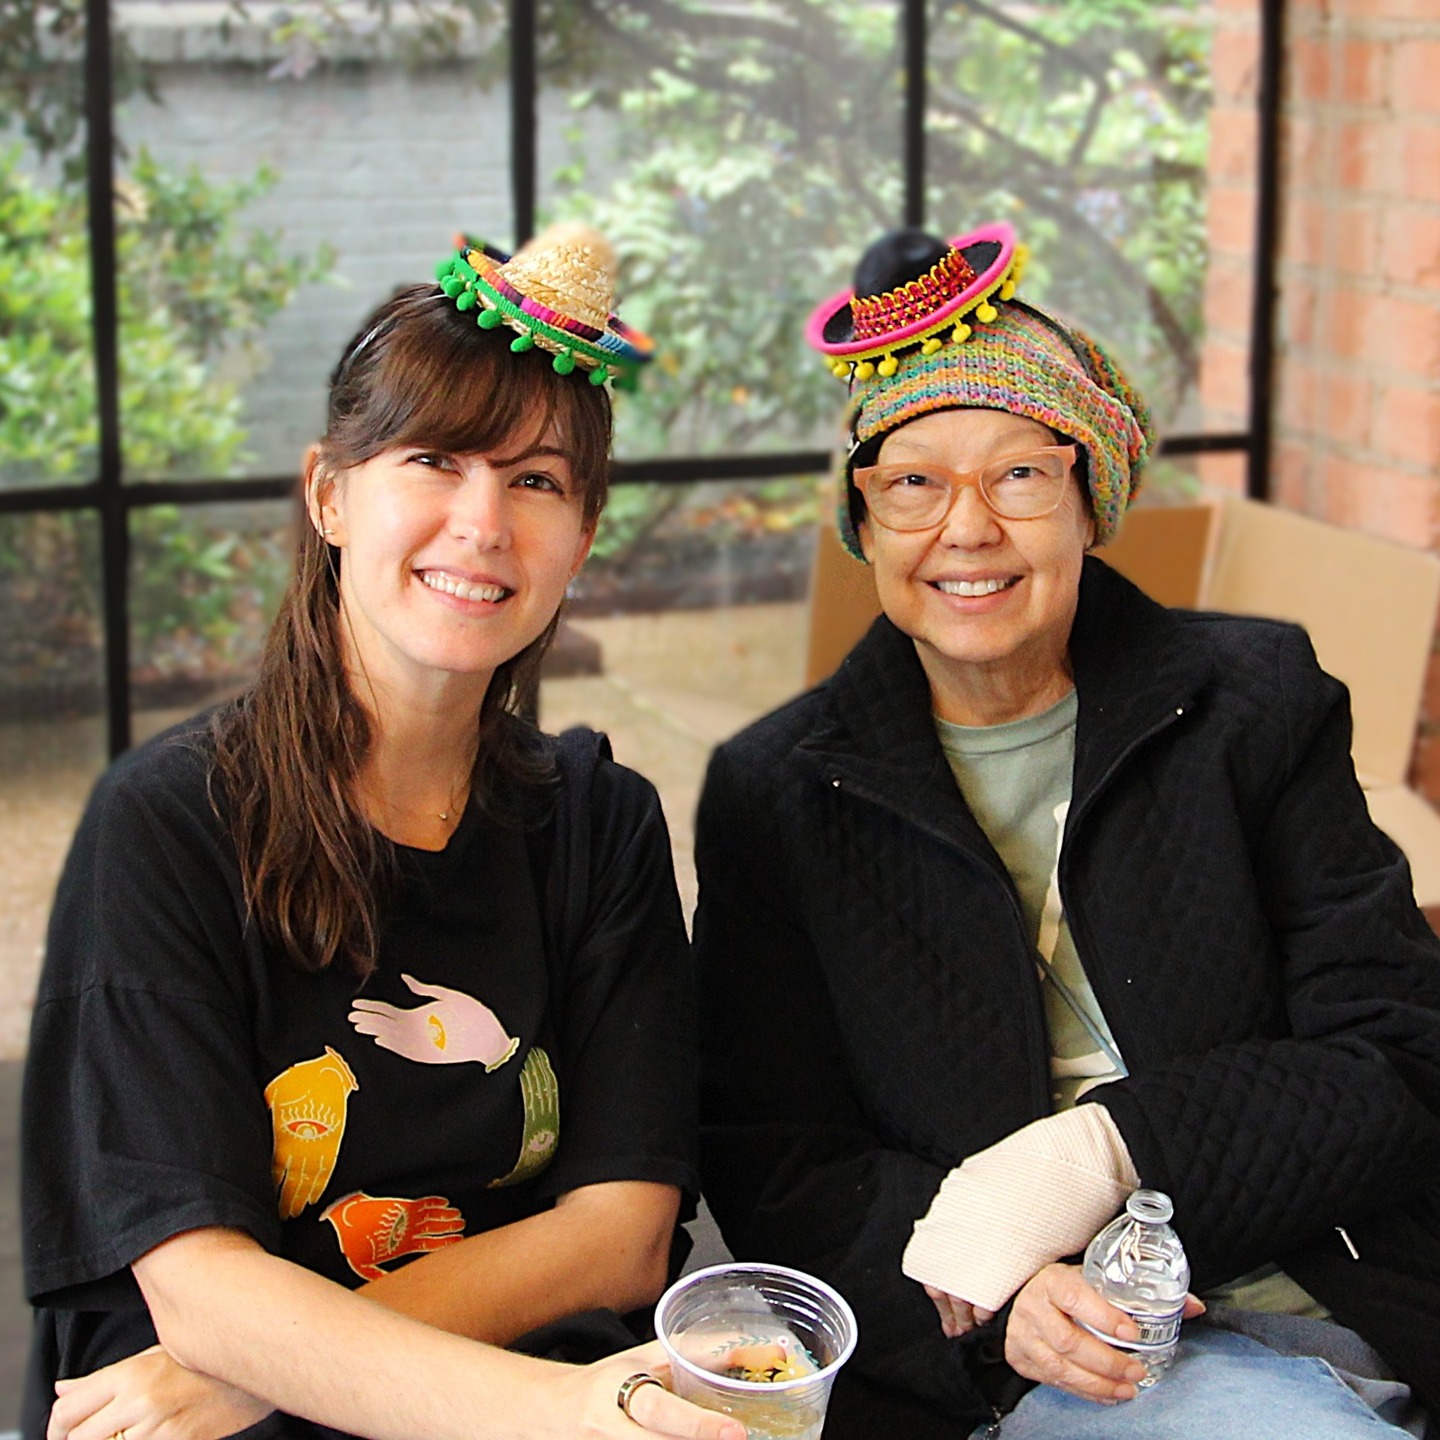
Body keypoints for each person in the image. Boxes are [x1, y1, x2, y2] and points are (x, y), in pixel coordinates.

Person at [692, 220, 1440, 1439]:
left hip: (1325, 1288)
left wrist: (1096, 1157)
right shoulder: (779, 794)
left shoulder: (1252, 707)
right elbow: (779, 1165)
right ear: (866, 526)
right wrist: (1004, 1293)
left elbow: (1399, 1055)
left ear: (1092, 498)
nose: (968, 529)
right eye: (914, 484)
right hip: (1041, 1355)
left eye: (1022, 475)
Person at [23, 222, 739, 1440]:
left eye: (537, 481)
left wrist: (268, 1355)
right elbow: (196, 1283)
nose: (483, 523)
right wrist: (571, 1411)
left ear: (584, 536)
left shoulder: (595, 821)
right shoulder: (169, 824)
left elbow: (619, 1235)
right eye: (436, 459)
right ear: (328, 493)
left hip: (466, 1384)